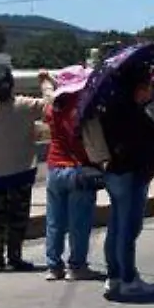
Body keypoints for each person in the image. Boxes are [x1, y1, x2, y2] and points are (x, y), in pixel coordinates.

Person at [0, 64, 48, 273]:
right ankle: (15, 257)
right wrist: (45, 81)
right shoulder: (24, 105)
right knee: (18, 218)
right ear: (11, 84)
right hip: (21, 173)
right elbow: (50, 105)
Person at [99, 72, 154, 298]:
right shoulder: (130, 113)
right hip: (130, 174)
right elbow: (138, 145)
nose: (150, 91)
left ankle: (114, 275)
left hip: (116, 173)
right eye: (146, 86)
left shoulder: (111, 108)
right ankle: (128, 279)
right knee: (128, 228)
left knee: (116, 226)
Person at [41, 65, 98, 282]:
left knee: (54, 221)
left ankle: (54, 266)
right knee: (79, 223)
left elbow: (47, 95)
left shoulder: (52, 108)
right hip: (78, 170)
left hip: (55, 168)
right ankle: (77, 266)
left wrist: (45, 80)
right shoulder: (83, 110)